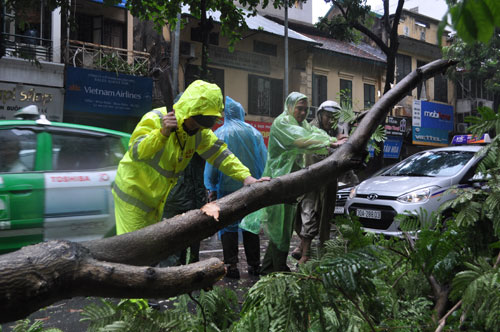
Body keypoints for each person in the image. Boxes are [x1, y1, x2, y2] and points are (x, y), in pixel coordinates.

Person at [113, 80, 269, 236]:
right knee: (135, 248)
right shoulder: (156, 118)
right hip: (133, 195)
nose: (198, 128)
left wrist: (246, 177)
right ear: (189, 110)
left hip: (156, 199)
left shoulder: (200, 133)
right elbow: (136, 152)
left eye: (204, 124)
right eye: (196, 122)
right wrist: (162, 134)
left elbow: (221, 155)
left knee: (150, 247)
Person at [241, 92, 344, 274]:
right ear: (290, 106)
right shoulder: (282, 123)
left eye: (305, 109)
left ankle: (272, 267)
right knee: (278, 227)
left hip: (292, 184)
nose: (303, 113)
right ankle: (276, 267)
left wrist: (334, 139)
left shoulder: (302, 124)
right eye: (299, 108)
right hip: (279, 181)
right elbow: (300, 140)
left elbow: (313, 132)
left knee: (285, 228)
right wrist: (330, 141)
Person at [204, 96, 268, 278]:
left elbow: (213, 164)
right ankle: (254, 265)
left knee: (228, 229)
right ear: (240, 113)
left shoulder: (220, 133)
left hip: (226, 189)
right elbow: (263, 160)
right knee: (250, 227)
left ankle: (231, 265)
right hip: (250, 188)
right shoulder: (254, 133)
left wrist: (211, 187)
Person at [292, 100, 348, 264]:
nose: (330, 121)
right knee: (307, 213)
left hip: (329, 183)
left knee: (325, 217)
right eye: (327, 117)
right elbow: (315, 153)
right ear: (320, 115)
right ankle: (305, 252)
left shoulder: (339, 132)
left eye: (334, 118)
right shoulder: (312, 129)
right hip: (311, 181)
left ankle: (316, 251)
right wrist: (332, 145)